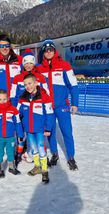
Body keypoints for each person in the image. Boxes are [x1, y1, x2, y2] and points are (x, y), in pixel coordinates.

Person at [37, 39, 79, 170]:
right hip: (48, 107)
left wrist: (75, 103)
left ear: (54, 51)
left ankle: (71, 157)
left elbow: (73, 85)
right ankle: (54, 154)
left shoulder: (64, 65)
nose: (48, 52)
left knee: (67, 132)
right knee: (50, 132)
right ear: (43, 52)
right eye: (46, 50)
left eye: (51, 49)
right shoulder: (39, 68)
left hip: (62, 106)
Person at [11, 49, 49, 165]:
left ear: (34, 63)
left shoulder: (40, 77)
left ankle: (39, 155)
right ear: (23, 64)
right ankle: (18, 152)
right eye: (26, 63)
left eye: (30, 63)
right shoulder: (17, 78)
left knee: (37, 134)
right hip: (22, 109)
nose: (28, 65)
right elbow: (13, 95)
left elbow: (46, 93)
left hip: (36, 111)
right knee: (21, 133)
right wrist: (14, 110)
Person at [17, 74, 55, 183]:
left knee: (41, 148)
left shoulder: (44, 96)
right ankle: (37, 166)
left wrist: (48, 128)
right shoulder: (22, 98)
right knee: (33, 148)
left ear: (36, 83)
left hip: (40, 129)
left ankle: (44, 170)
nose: (27, 86)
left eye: (30, 83)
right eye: (25, 84)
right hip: (29, 129)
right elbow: (17, 113)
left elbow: (50, 114)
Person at [0, 89, 24, 178]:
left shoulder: (13, 110)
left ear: (8, 98)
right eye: (0, 99)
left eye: (4, 99)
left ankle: (12, 167)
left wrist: (20, 135)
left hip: (10, 137)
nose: (2, 101)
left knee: (10, 152)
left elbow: (18, 123)